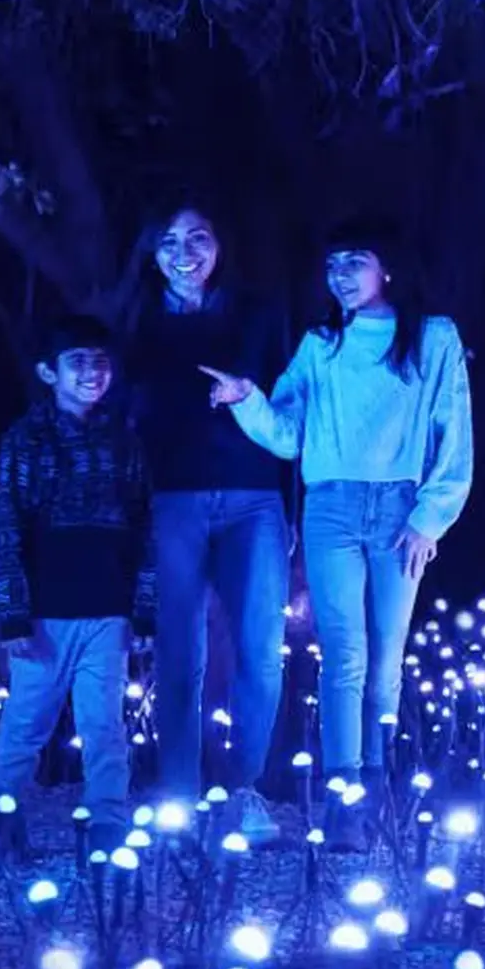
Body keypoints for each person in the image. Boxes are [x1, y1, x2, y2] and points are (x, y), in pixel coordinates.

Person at [200, 214, 474, 850]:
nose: (341, 275)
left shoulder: (433, 338)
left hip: (400, 509)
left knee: (386, 660)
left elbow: (452, 435)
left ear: (388, 267)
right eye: (333, 265)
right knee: (344, 657)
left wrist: (430, 516)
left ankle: (377, 788)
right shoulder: (320, 346)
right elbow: (290, 433)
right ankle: (345, 802)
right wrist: (247, 398)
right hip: (329, 509)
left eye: (356, 260)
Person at [125, 202, 290, 842]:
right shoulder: (137, 321)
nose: (183, 251)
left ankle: (243, 792)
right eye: (168, 240)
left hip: (255, 499)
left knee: (257, 652)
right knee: (178, 654)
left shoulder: (260, 313)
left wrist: (291, 511)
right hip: (174, 500)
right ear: (151, 251)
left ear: (221, 244)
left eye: (198, 236)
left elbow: (293, 408)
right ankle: (178, 797)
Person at [0, 314, 153, 855]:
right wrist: (12, 612)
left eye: (101, 361)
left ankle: (107, 825)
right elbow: (6, 523)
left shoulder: (123, 442)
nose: (91, 371)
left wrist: (143, 610)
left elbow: (141, 527)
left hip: (107, 611)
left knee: (103, 724)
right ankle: (3, 824)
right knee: (26, 725)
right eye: (77, 361)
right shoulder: (25, 439)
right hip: (43, 615)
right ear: (47, 371)